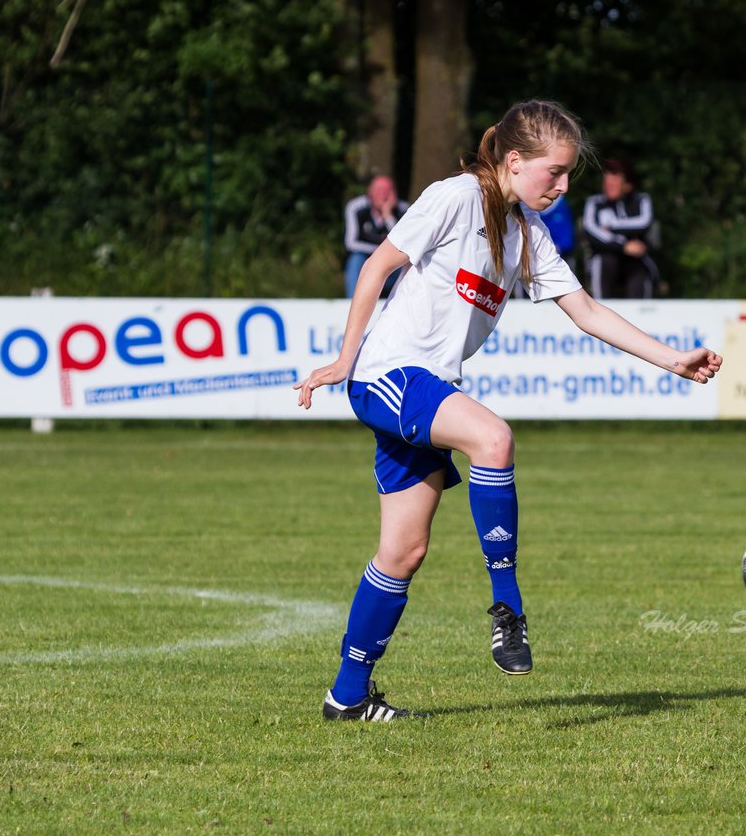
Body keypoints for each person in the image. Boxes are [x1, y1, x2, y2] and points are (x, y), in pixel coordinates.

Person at [295, 100, 721, 722]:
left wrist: (673, 360)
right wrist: (343, 359)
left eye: (570, 173)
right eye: (554, 172)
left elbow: (589, 312)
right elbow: (376, 266)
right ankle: (507, 607)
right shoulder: (456, 197)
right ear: (514, 162)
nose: (563, 185)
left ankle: (348, 696)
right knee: (493, 438)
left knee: (402, 552)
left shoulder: (529, 233)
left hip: (428, 386)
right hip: (389, 375)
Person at [582, 158, 660, 299]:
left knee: (639, 267)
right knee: (604, 261)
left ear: (628, 184)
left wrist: (611, 227)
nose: (609, 184)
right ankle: (601, 312)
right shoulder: (594, 203)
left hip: (635, 260)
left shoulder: (641, 200)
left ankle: (639, 315)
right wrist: (623, 245)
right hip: (605, 258)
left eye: (615, 180)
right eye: (607, 180)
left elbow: (644, 223)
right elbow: (591, 230)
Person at [343, 175, 408, 298]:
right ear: (369, 192)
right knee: (355, 259)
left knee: (406, 264)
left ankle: (401, 305)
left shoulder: (403, 210)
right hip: (365, 262)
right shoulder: (356, 208)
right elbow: (350, 243)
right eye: (378, 190)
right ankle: (351, 304)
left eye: (387, 190)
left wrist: (388, 216)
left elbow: (405, 243)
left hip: (392, 265)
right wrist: (379, 251)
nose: (383, 195)